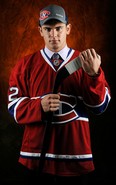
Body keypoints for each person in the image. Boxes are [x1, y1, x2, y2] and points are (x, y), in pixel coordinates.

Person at [7, 4, 111, 185]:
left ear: (68, 28)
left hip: (76, 157)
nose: (53, 35)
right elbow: (13, 107)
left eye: (58, 28)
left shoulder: (86, 63)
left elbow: (99, 107)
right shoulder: (24, 65)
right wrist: (38, 106)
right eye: (48, 29)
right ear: (40, 31)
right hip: (35, 157)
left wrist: (94, 76)